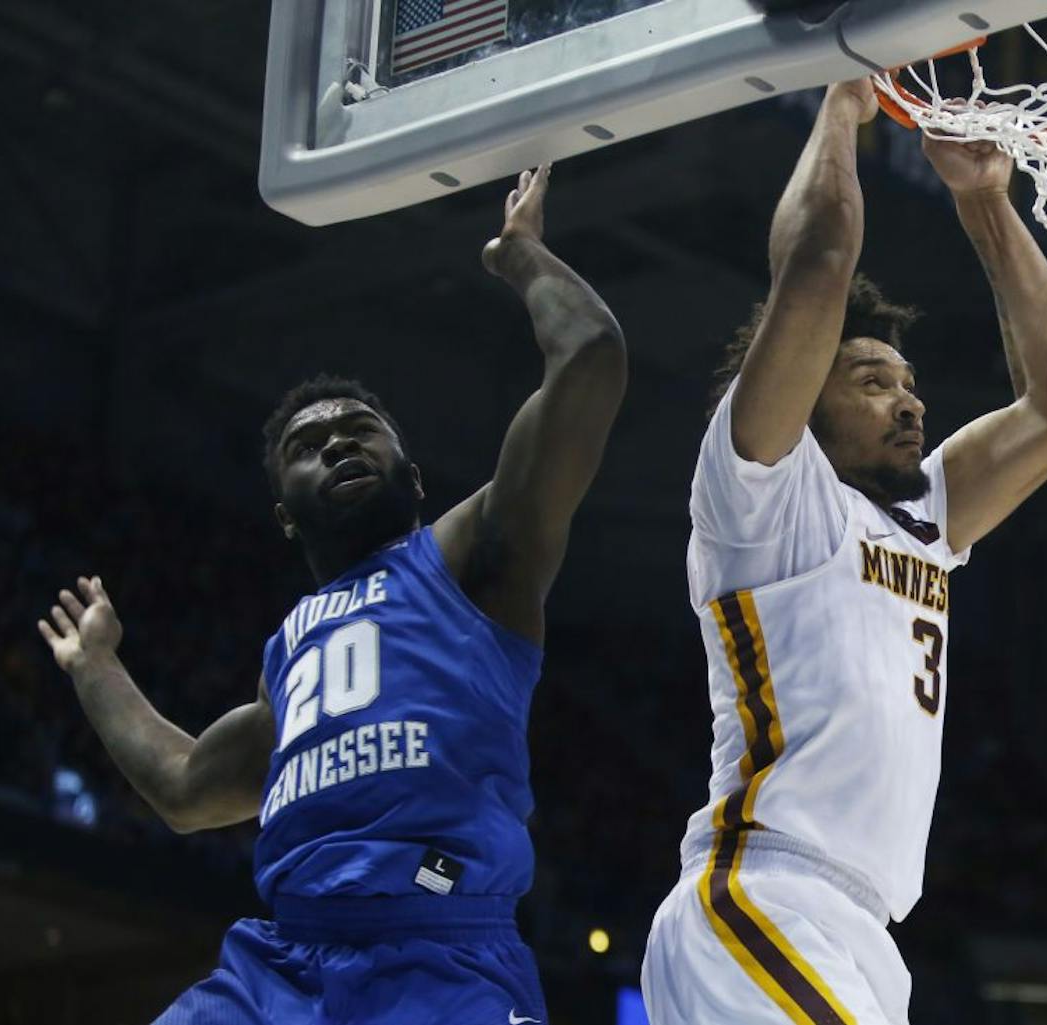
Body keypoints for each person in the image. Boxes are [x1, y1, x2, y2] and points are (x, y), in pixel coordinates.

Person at [36, 165, 625, 1025]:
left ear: (413, 478)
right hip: (282, 961)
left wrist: (523, 257)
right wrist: (94, 665)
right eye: (311, 444)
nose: (339, 443)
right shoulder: (293, 650)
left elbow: (591, 356)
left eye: (361, 432)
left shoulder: (471, 555)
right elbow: (186, 785)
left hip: (442, 949)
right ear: (283, 513)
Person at [641, 78, 1047, 1025]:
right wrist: (843, 102)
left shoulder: (928, 517)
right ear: (804, 396)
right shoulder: (765, 493)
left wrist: (985, 202)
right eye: (873, 380)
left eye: (910, 381)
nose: (910, 401)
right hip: (761, 896)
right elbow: (818, 265)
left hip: (862, 931)